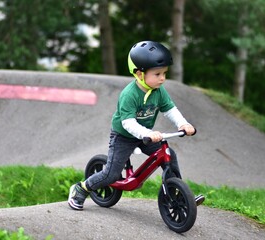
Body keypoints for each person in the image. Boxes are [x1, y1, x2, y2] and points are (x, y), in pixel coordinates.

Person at [68, 40, 200, 210]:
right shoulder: (129, 95)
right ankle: (81, 188)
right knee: (111, 174)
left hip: (145, 135)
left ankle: (178, 195)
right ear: (139, 73)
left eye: (164, 73)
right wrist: (147, 133)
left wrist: (183, 124)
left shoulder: (159, 91)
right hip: (124, 136)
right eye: (157, 74)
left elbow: (170, 109)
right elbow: (128, 123)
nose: (162, 78)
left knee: (169, 155)